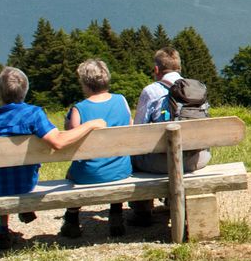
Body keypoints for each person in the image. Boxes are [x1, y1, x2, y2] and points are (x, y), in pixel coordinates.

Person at [0, 66, 105, 251]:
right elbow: (58, 142)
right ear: (25, 90)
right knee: (23, 167)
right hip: (25, 183)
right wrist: (91, 124)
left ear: (0, 92)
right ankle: (24, 208)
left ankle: (3, 227)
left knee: (1, 170)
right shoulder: (33, 114)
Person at [129, 47, 208, 224]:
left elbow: (138, 133)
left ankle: (142, 211)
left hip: (162, 163)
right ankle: (171, 200)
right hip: (197, 158)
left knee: (131, 158)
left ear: (156, 69)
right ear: (179, 67)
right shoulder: (197, 89)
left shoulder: (151, 91)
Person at [61, 58, 131, 239]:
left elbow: (71, 142)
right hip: (120, 171)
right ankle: (116, 213)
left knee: (71, 174)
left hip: (88, 174)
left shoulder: (79, 109)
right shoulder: (121, 101)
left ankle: (72, 220)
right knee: (112, 162)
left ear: (85, 83)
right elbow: (129, 126)